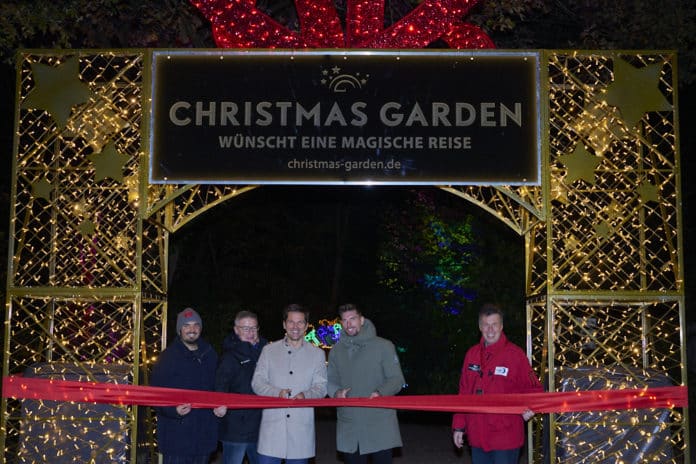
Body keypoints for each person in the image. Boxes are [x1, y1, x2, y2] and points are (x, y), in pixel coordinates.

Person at [452, 303, 543, 464]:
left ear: (501, 326)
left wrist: (530, 407)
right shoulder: (471, 354)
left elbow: (535, 389)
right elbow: (463, 393)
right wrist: (459, 426)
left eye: (494, 325)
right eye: (486, 325)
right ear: (480, 327)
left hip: (505, 436)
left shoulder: (515, 355)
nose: (490, 330)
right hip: (477, 435)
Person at [327, 303, 405, 464]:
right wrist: (336, 393)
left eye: (353, 318)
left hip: (380, 423)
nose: (349, 324)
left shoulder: (384, 346)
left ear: (362, 320)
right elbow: (330, 380)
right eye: (344, 320)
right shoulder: (336, 351)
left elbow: (397, 379)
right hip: (350, 426)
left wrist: (380, 392)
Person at [251, 304, 327, 464]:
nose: (295, 327)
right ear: (284, 324)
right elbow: (257, 382)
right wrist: (276, 393)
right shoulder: (269, 351)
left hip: (301, 432)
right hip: (271, 430)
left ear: (306, 326)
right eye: (291, 322)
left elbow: (321, 387)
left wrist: (306, 395)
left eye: (300, 322)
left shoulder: (317, 354)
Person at [151, 307, 227, 464]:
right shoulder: (168, 357)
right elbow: (156, 394)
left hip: (203, 437)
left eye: (195, 325)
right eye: (186, 325)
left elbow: (218, 386)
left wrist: (219, 406)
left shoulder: (210, 354)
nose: (192, 329)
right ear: (180, 330)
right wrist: (173, 410)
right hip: (176, 437)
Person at [215, 310, 268, 464]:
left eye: (254, 328)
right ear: (236, 329)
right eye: (245, 328)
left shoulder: (267, 352)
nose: (250, 332)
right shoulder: (230, 356)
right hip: (235, 429)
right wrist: (219, 402)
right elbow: (221, 383)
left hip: (261, 426)